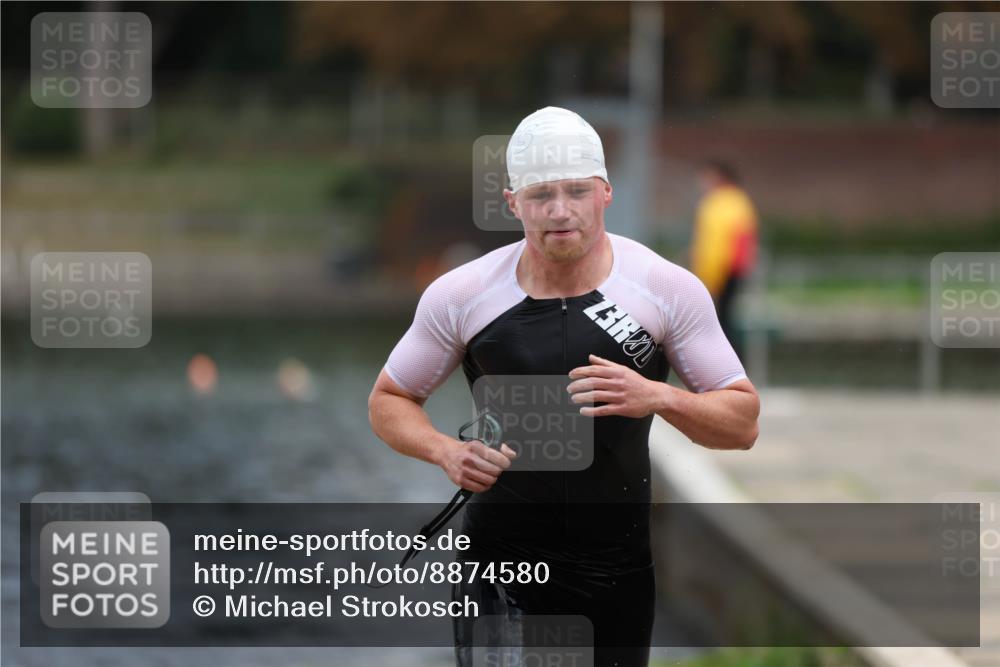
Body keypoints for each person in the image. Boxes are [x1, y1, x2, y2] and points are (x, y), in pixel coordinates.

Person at [368, 107, 759, 666]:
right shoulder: (465, 294)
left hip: (615, 570)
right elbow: (389, 399)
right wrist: (445, 451)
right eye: (540, 195)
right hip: (500, 567)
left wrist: (660, 396)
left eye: (576, 191)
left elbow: (743, 424)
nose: (559, 211)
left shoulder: (665, 290)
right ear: (511, 203)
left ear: (605, 193)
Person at [689, 159, 759, 359]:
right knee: (725, 320)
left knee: (722, 322)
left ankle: (726, 364)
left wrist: (710, 275)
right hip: (728, 270)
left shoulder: (719, 203)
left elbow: (717, 243)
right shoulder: (737, 201)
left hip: (722, 271)